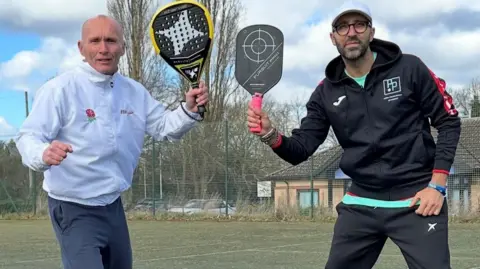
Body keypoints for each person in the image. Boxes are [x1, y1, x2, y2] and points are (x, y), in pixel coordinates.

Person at [247, 1, 460, 268]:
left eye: (359, 24)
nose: (351, 32)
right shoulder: (325, 92)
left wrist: (437, 185)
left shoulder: (410, 68)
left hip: (418, 199)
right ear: (332, 37)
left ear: (371, 33)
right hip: (362, 202)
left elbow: (449, 121)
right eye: (342, 26)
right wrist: (270, 134)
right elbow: (300, 149)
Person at [14, 15, 208, 269]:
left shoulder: (134, 92)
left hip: (113, 207)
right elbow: (28, 136)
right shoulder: (59, 89)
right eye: (95, 41)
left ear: (123, 48)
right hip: (73, 208)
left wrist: (189, 109)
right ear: (81, 48)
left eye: (111, 41)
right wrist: (42, 154)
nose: (103, 49)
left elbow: (164, 128)